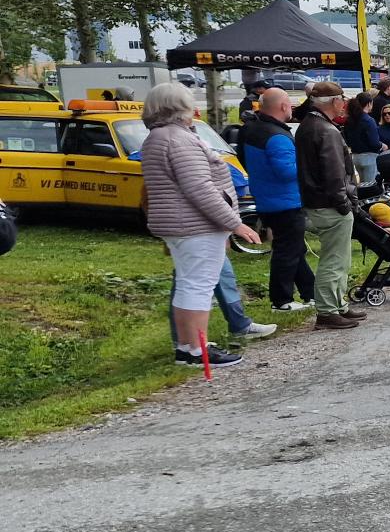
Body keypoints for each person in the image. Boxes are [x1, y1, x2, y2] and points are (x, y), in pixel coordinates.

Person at [141, 82, 264, 368]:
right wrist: (236, 224)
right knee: (199, 287)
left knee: (188, 284)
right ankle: (198, 349)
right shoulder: (179, 140)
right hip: (196, 224)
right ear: (179, 107)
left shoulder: (157, 137)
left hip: (178, 223)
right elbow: (200, 188)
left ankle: (187, 347)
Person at [295, 81, 366, 331]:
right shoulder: (326, 130)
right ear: (335, 101)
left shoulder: (309, 125)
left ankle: (338, 304)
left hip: (317, 201)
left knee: (339, 258)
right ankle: (327, 311)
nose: (344, 104)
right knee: (334, 260)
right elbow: (334, 173)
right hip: (329, 204)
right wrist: (344, 203)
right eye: (342, 99)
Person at [238, 87, 314, 311]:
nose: (291, 109)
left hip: (266, 197)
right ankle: (281, 300)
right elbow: (287, 171)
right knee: (287, 251)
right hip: (285, 201)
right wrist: (308, 165)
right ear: (282, 106)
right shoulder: (277, 136)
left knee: (295, 249)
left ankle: (310, 293)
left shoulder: (251, 129)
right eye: (290, 104)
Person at [345, 90, 385, 187]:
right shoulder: (368, 120)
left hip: (356, 156)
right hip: (369, 156)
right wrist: (382, 145)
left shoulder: (350, 119)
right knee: (371, 186)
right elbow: (374, 142)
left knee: (362, 185)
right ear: (369, 103)